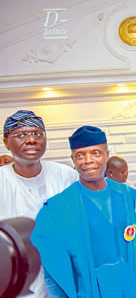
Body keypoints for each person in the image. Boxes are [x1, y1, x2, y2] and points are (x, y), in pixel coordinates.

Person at [31, 126, 136, 298]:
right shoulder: (57, 209)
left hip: (134, 291)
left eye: (96, 153)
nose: (88, 160)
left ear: (107, 155)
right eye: (80, 155)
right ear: (73, 160)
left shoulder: (131, 198)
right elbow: (53, 274)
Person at [0, 110, 77, 298]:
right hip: (15, 274)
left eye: (37, 133)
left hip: (62, 272)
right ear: (6, 142)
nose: (31, 139)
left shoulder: (66, 176)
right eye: (21, 135)